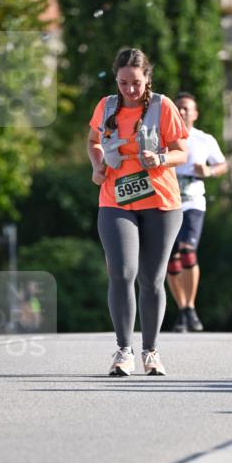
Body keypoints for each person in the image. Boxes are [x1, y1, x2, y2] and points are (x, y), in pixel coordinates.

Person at [87, 47, 188, 376]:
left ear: (147, 79)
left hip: (160, 202)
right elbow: (93, 141)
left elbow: (181, 152)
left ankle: (151, 351)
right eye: (123, 83)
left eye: (136, 83)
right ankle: (123, 351)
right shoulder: (106, 106)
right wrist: (97, 165)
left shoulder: (163, 107)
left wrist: (159, 159)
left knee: (152, 279)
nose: (130, 90)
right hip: (115, 199)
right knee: (122, 272)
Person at [167, 92, 227, 333]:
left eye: (186, 108)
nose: (181, 112)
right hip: (168, 203)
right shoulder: (164, 136)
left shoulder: (204, 139)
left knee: (188, 252)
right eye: (178, 108)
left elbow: (223, 164)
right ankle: (183, 308)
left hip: (193, 202)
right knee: (171, 258)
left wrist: (210, 172)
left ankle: (190, 306)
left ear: (195, 113)